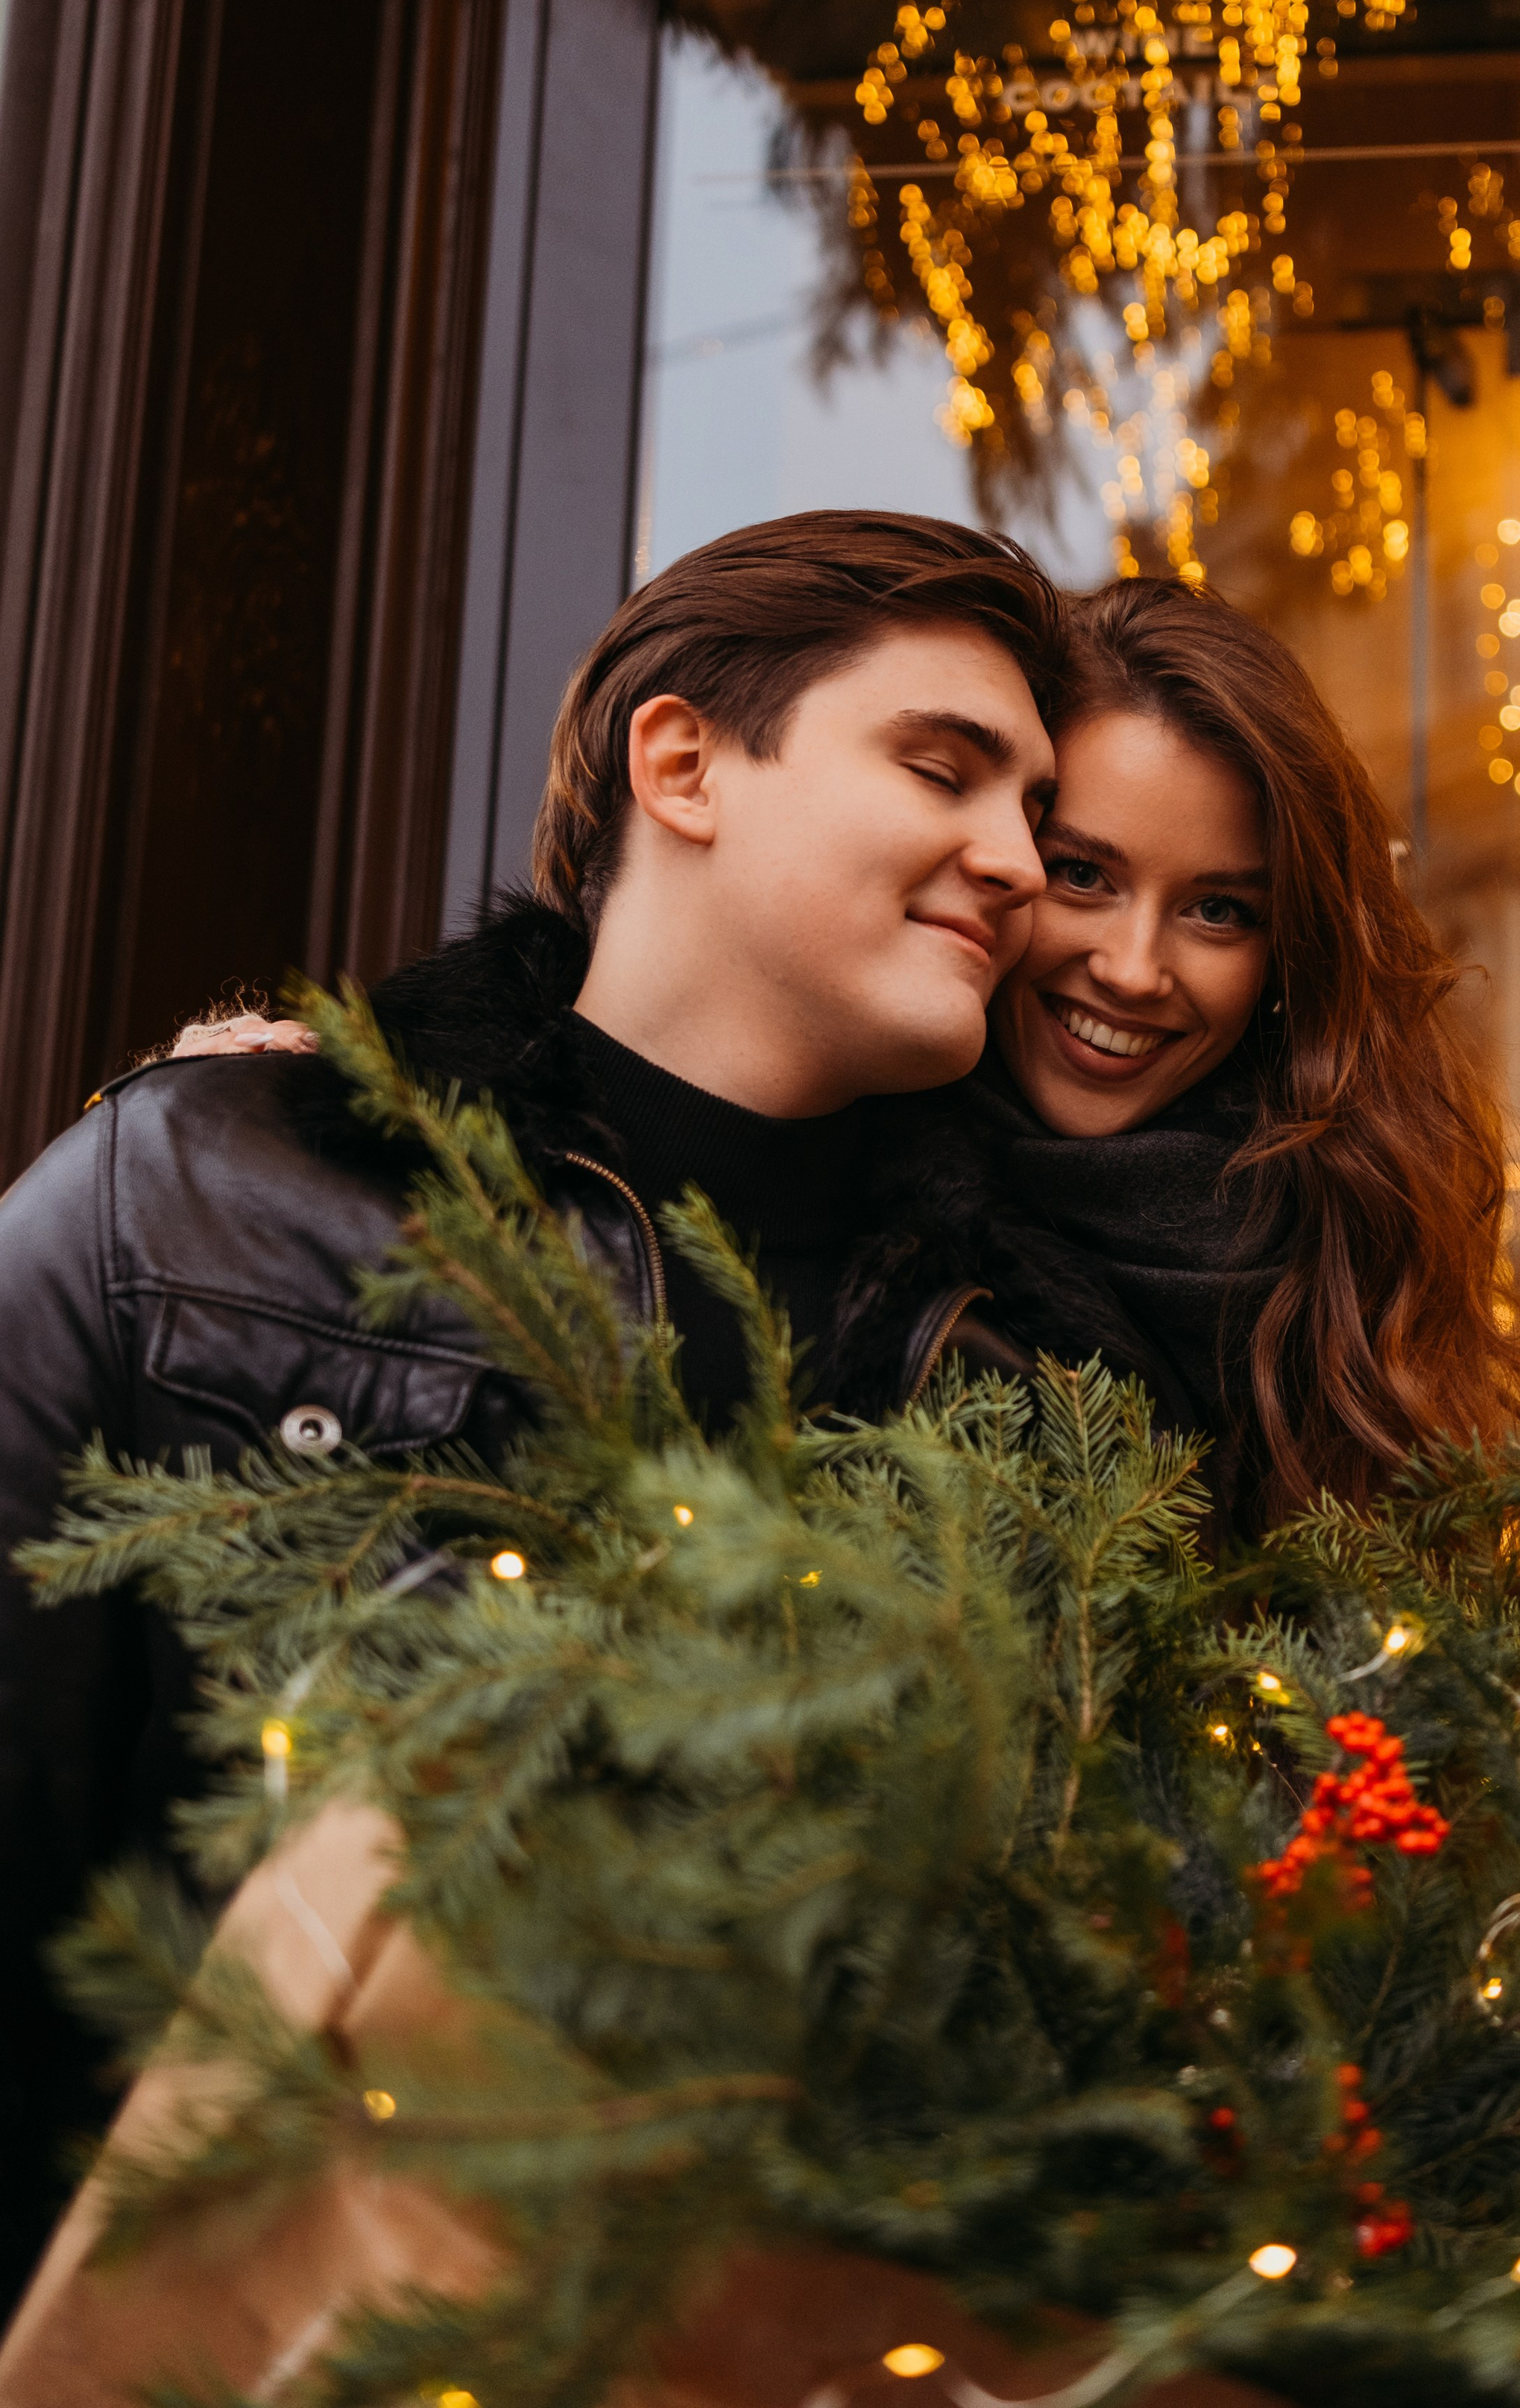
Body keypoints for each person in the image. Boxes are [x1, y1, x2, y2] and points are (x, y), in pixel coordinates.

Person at [0, 509, 1067, 2302]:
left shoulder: (995, 1389)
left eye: (1033, 810)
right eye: (942, 770)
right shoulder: (197, 1194)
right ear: (683, 764)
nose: (1017, 861)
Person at [833, 577, 1520, 1537]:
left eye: (1217, 911)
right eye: (1082, 874)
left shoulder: (1349, 1256)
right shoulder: (825, 1207)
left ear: (1285, 953)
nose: (1133, 972)